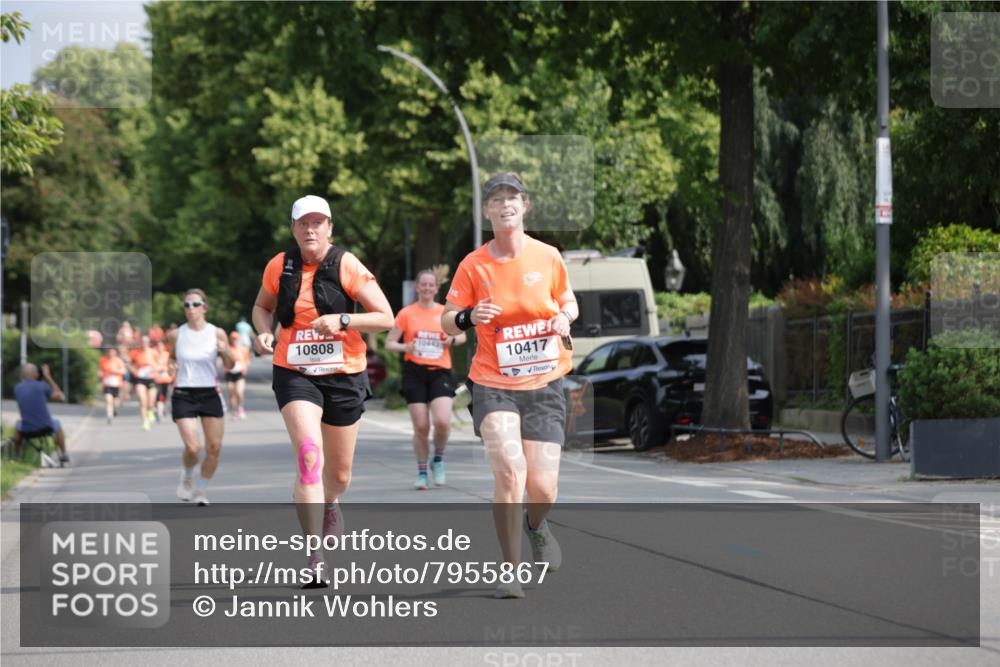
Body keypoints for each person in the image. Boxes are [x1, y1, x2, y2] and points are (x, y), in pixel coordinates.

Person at [442, 172, 578, 599]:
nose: (505, 205)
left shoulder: (548, 256)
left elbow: (569, 300)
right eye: (496, 199)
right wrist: (468, 317)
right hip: (492, 382)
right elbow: (447, 319)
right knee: (509, 470)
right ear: (486, 211)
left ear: (525, 206)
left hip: (545, 381)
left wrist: (564, 318)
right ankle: (510, 569)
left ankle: (536, 525)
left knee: (543, 487)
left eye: (512, 198)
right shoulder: (473, 264)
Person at [252, 194, 393, 586]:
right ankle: (315, 556)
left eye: (318, 223)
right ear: (294, 228)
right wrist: (264, 334)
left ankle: (332, 501)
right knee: (309, 456)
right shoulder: (280, 266)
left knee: (340, 474)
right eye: (303, 223)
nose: (310, 229)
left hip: (345, 373)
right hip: (295, 370)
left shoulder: (346, 264)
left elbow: (386, 317)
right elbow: (262, 307)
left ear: (329, 228)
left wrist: (344, 319)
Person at [385, 269, 466, 490]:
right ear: (417, 287)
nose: (427, 288)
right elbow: (389, 343)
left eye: (431, 285)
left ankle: (437, 459)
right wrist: (405, 346)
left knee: (442, 422)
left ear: (437, 288)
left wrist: (451, 339)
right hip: (415, 373)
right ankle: (422, 471)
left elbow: (462, 336)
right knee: (421, 427)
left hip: (440, 372)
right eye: (424, 285)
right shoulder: (406, 313)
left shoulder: (444, 312)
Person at [170, 289, 234, 506]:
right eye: (186, 305)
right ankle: (187, 476)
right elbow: (171, 357)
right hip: (183, 393)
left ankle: (201, 489)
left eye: (195, 304)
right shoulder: (176, 334)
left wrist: (225, 351)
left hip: (209, 392)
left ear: (204, 308)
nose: (190, 309)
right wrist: (171, 367)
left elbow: (230, 365)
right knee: (193, 447)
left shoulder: (217, 333)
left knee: (214, 447)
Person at [12, 363, 69, 464]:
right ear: (36, 374)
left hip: (26, 429)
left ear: (22, 375)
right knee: (58, 424)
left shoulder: (17, 388)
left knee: (18, 425)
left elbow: (25, 386)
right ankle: (64, 454)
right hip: (46, 427)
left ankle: (16, 457)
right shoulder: (42, 386)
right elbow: (61, 396)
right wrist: (48, 376)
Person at [129, 335, 158, 430]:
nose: (143, 344)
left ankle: (150, 411)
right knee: (142, 401)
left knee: (150, 401)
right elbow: (129, 364)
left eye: (145, 342)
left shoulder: (154, 352)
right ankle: (145, 421)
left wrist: (155, 368)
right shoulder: (135, 353)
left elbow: (160, 364)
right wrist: (134, 371)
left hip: (151, 378)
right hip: (140, 379)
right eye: (142, 342)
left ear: (149, 343)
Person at [225, 331, 250, 420]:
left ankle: (240, 408)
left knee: (239, 391)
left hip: (240, 373)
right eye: (232, 338)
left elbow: (247, 361)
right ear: (230, 339)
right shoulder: (227, 349)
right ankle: (233, 411)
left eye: (236, 338)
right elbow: (224, 360)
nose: (234, 340)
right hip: (230, 373)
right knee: (231, 392)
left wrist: (245, 369)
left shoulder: (243, 349)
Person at [98, 347, 127, 424]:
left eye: (112, 352)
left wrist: (115, 371)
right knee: (108, 400)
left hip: (116, 384)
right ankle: (109, 416)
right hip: (107, 383)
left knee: (115, 403)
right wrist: (100, 374)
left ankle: (114, 409)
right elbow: (100, 369)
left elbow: (124, 371)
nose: (111, 354)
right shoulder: (103, 360)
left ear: (115, 353)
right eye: (109, 352)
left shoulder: (118, 361)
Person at [153, 339, 174, 422]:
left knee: (166, 397)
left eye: (161, 346)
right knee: (158, 397)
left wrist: (164, 368)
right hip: (157, 379)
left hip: (167, 379)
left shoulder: (167, 355)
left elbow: (171, 366)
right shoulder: (154, 355)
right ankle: (159, 413)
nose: (159, 348)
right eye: (158, 346)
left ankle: (163, 409)